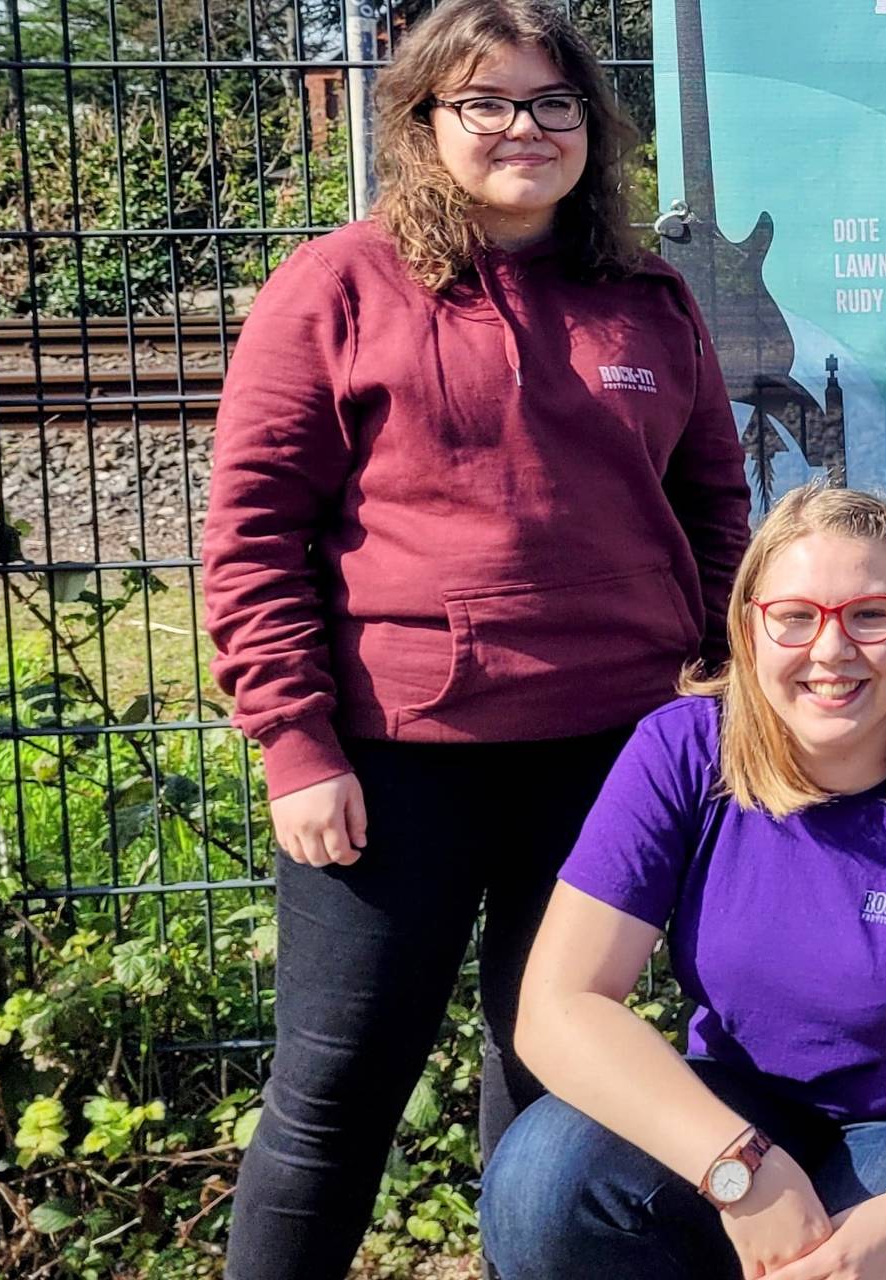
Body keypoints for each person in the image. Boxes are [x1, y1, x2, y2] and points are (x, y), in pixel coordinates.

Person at [201, 0, 750, 1272]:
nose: (525, 128)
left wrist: (712, 687)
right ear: (423, 122)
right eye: (486, 103)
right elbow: (252, 532)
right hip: (395, 765)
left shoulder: (648, 300)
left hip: (615, 757)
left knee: (553, 1074)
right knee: (333, 1094)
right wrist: (293, 738)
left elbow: (715, 504)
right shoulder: (337, 286)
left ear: (592, 131)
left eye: (554, 103)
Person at [480, 483, 886, 1280]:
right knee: (543, 1182)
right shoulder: (682, 755)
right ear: (749, 628)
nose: (832, 651)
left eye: (869, 614)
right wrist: (737, 1170)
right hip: (743, 1105)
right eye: (795, 617)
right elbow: (558, 1007)